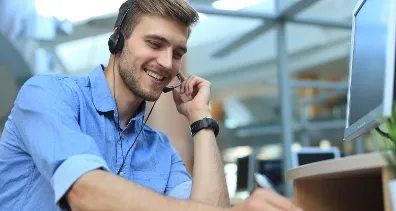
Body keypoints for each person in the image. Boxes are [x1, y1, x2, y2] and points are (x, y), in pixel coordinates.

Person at [0, 0, 301, 211]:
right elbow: (85, 193)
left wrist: (201, 119)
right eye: (155, 44)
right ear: (117, 38)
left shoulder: (161, 151)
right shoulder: (48, 94)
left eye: (178, 52)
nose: (168, 63)